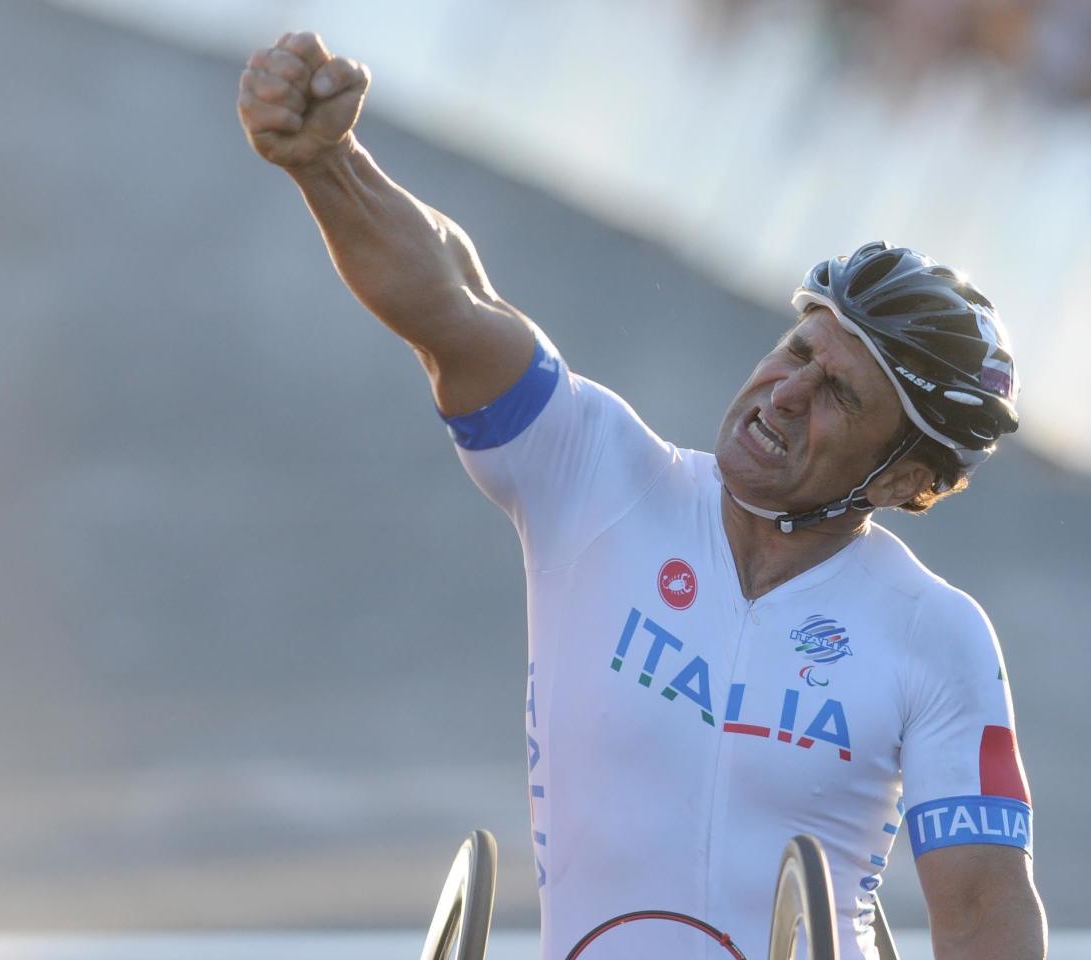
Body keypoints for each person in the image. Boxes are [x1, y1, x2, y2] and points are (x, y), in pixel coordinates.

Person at [238, 31, 1047, 960]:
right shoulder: (600, 475)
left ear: (903, 479)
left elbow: (984, 912)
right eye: (797, 349)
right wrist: (331, 166)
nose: (786, 392)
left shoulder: (936, 636)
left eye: (839, 394)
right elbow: (456, 305)